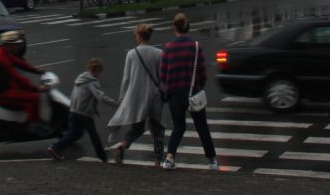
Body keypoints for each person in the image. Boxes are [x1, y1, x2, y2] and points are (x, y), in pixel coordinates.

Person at [159, 12, 218, 171]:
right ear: (188, 28)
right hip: (193, 92)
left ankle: (169, 159)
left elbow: (163, 74)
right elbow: (202, 72)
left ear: (174, 28)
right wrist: (199, 86)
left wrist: (169, 88)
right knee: (201, 126)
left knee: (178, 126)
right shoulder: (195, 47)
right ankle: (212, 161)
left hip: (174, 93)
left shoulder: (168, 48)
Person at [107, 23, 166, 166]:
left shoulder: (131, 54)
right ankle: (158, 160)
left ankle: (123, 145)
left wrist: (122, 98)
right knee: (158, 129)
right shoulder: (159, 54)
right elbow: (162, 77)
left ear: (139, 36)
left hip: (136, 97)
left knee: (137, 128)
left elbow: (126, 79)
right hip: (154, 97)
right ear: (149, 36)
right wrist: (165, 93)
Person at [48, 58, 117, 162]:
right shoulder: (92, 82)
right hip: (84, 114)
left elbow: (82, 96)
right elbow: (101, 97)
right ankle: (102, 156)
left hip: (73, 111)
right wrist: (115, 104)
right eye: (100, 72)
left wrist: (94, 109)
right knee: (94, 135)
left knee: (72, 134)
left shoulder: (80, 78)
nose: (100, 74)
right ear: (96, 70)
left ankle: (55, 147)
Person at [0, 30, 47, 129]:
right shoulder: (1, 58)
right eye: (16, 44)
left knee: (27, 90)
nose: (18, 46)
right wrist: (37, 88)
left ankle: (28, 118)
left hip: (3, 86)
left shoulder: (1, 51)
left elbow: (18, 62)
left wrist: (36, 70)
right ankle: (33, 125)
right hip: (0, 92)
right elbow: (17, 77)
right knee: (34, 97)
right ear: (9, 45)